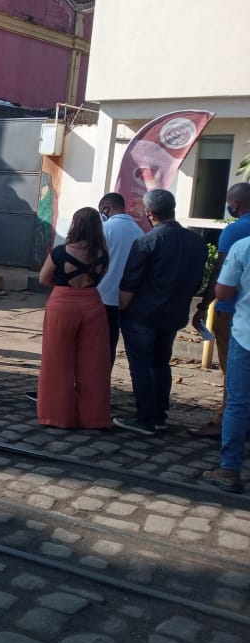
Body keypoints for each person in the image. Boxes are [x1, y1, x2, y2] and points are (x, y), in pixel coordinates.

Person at [114, 189, 208, 435]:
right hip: (173, 314)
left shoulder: (146, 241)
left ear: (149, 213)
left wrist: (120, 309)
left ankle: (145, 418)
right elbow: (197, 280)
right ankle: (159, 415)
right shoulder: (197, 243)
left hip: (142, 315)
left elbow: (129, 283)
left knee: (141, 366)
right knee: (161, 364)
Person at [36, 207, 112, 429]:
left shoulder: (60, 251)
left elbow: (43, 278)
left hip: (62, 303)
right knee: (94, 364)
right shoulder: (102, 255)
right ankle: (94, 418)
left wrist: (62, 289)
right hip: (92, 304)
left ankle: (57, 416)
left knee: (56, 361)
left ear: (75, 225)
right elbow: (100, 279)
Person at [191, 183, 250, 438]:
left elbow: (220, 277)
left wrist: (204, 306)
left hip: (232, 313)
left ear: (235, 204)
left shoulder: (235, 233)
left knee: (232, 373)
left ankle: (226, 422)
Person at [204, 235, 250, 493]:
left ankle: (229, 469)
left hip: (246, 335)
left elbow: (222, 291)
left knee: (238, 403)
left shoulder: (243, 246)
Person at [97, 192, 145, 363]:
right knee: (112, 341)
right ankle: (104, 381)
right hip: (127, 298)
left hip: (101, 295)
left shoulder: (104, 229)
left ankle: (93, 382)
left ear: (106, 208)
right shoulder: (139, 232)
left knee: (96, 343)